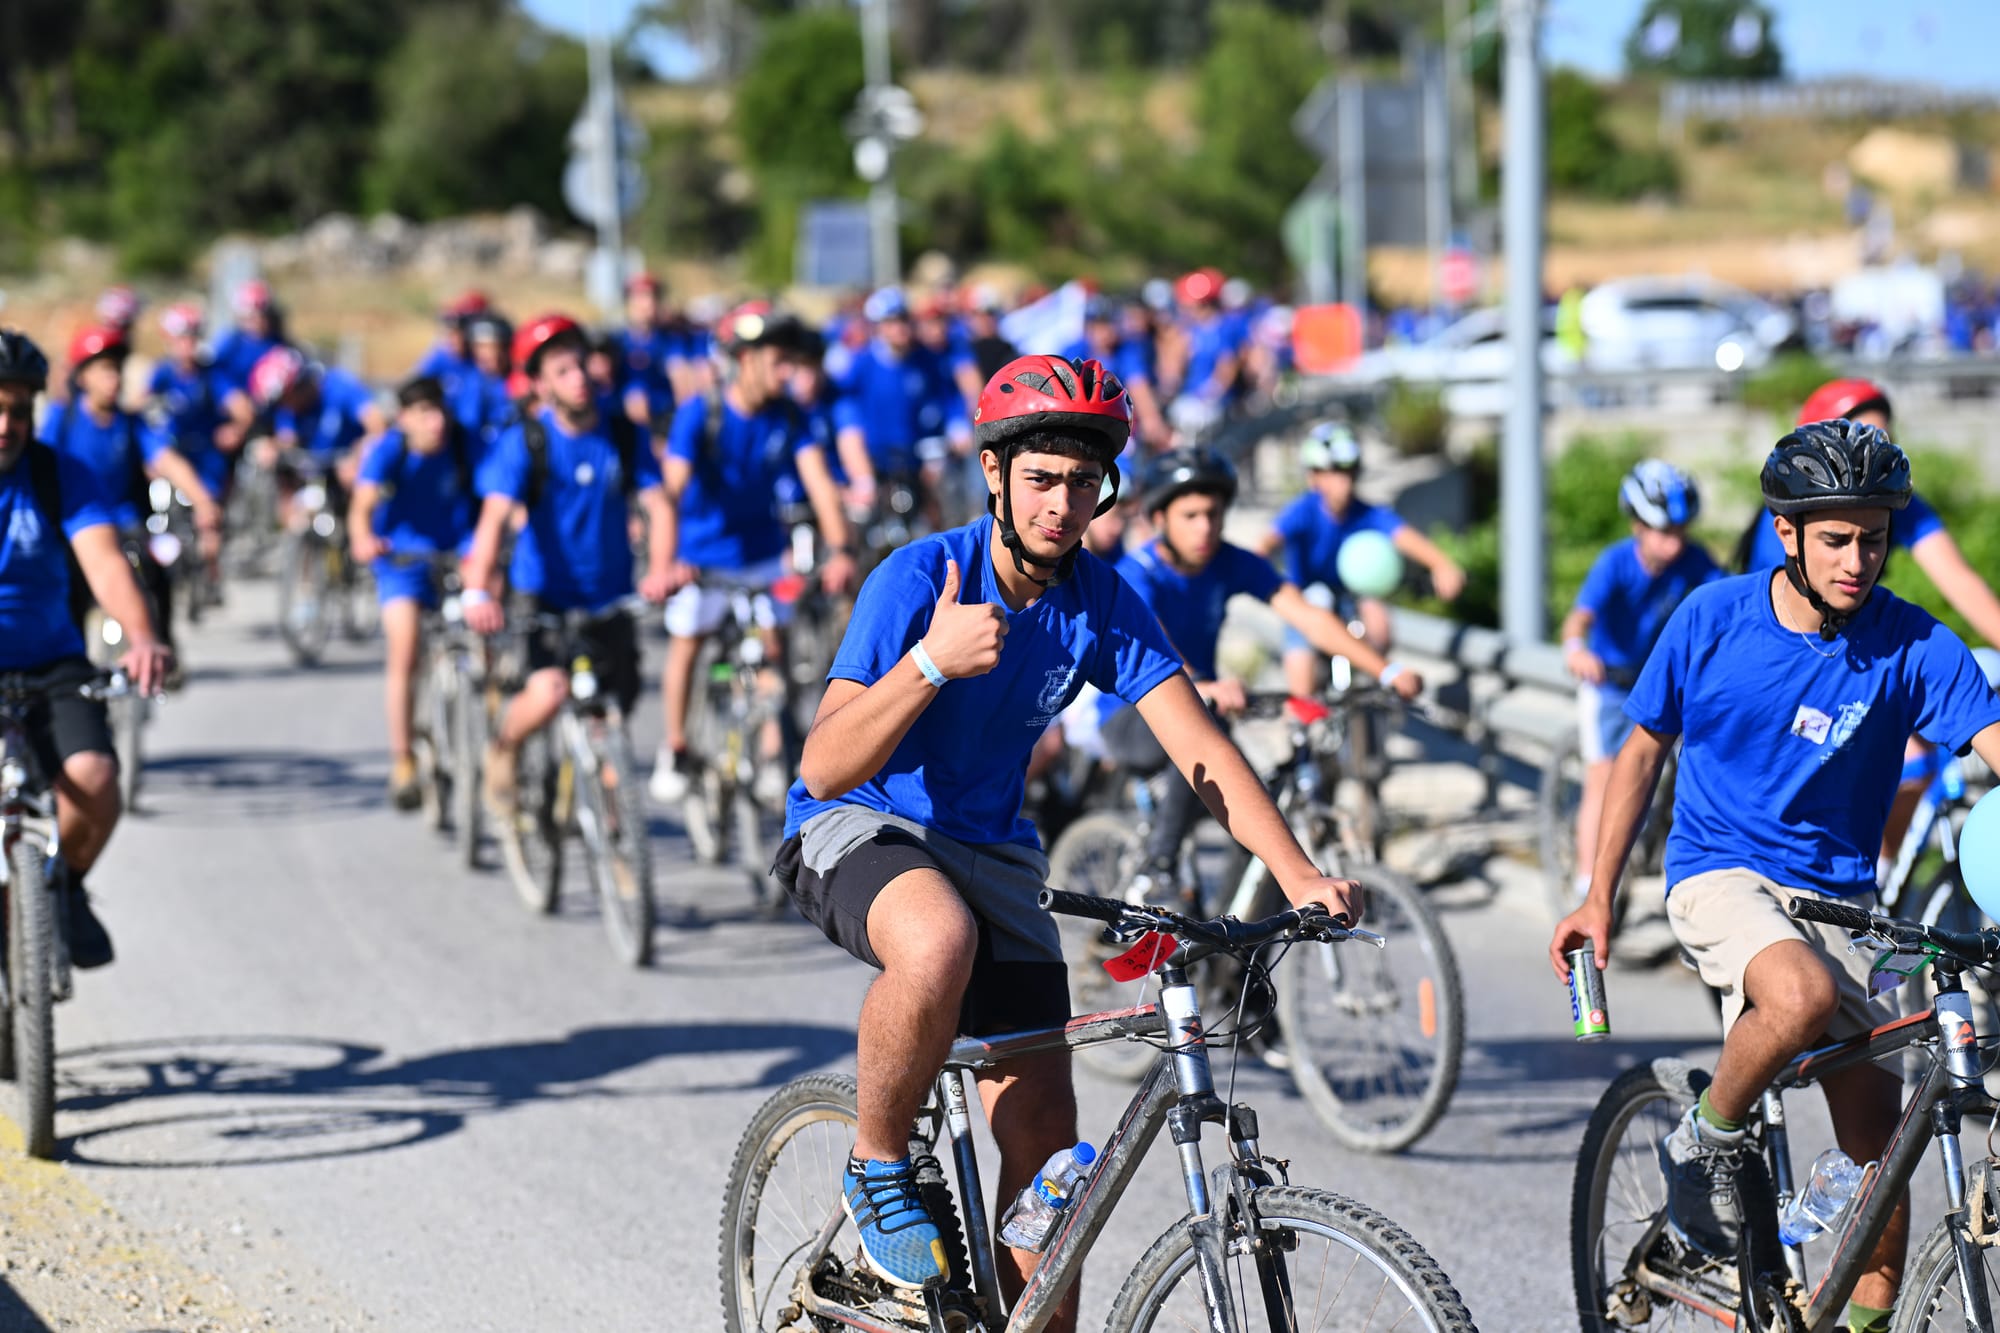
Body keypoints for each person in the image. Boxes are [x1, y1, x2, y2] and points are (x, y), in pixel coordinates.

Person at [777, 354, 1365, 1325]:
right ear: (995, 472)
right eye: (1042, 478)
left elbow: (1199, 747)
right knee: (937, 940)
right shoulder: (920, 576)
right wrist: (930, 662)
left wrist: (1298, 871)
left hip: (993, 850)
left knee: (1049, 1140)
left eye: (1083, 482)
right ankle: (876, 1162)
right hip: (862, 822)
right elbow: (824, 764)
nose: (1061, 504)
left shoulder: (1098, 598)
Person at [1550, 422, 2000, 1333]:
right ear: (1787, 532)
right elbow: (1640, 755)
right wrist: (1599, 896)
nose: (1857, 560)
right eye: (1835, 538)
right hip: (1720, 871)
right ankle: (1703, 1139)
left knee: (1881, 1176)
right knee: (1797, 994)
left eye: (1873, 538)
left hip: (1842, 902)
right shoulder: (1711, 618)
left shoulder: (1913, 644)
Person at [1098, 446, 1422, 900]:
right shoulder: (1138, 573)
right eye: (1190, 516)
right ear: (1158, 519)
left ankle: (1230, 937)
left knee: (1262, 821)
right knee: (1201, 724)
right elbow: (1157, 644)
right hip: (1132, 717)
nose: (1205, 527)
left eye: (1213, 514)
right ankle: (1161, 864)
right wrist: (1202, 684)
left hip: (1207, 705)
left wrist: (1385, 669)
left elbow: (1307, 616)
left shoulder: (1230, 562)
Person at [1738, 378, 2000, 872]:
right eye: (1863, 436)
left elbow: (1959, 581)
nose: (1872, 454)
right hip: (1797, 663)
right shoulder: (1801, 518)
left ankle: (1879, 872)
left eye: (1884, 439)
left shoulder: (1894, 501)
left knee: (1916, 761)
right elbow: (1792, 630)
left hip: (1858, 644)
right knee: (1894, 755)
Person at [0, 329, 172, 968]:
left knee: (97, 782)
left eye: (19, 410)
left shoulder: (58, 474)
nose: (6, 425)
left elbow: (104, 565)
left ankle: (64, 889)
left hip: (50, 661)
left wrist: (142, 636)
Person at [644, 304, 860, 808]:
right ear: (745, 360)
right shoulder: (700, 413)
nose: (789, 373)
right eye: (778, 361)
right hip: (699, 556)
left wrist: (842, 549)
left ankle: (770, 754)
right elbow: (669, 494)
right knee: (688, 645)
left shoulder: (789, 415)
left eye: (792, 362)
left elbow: (821, 486)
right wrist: (665, 563)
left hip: (762, 552)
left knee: (773, 653)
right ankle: (675, 747)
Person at [459, 316, 675, 814]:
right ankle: (504, 748)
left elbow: (660, 507)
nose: (579, 377)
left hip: (610, 596)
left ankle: (617, 833)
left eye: (581, 364)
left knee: (614, 710)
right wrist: (478, 591)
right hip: (544, 595)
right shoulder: (526, 441)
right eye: (562, 371)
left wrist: (661, 569)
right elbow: (493, 521)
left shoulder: (621, 433)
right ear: (540, 385)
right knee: (549, 690)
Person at [1555, 460, 1721, 907]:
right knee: (1603, 778)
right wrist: (1576, 648)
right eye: (1664, 532)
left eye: (1681, 532)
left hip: (1662, 685)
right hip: (1609, 684)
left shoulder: (1695, 562)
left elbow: (1726, 606)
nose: (1674, 543)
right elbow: (1578, 619)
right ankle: (1587, 884)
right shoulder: (1615, 563)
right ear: (1637, 526)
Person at [44, 325, 223, 660]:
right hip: (75, 525)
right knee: (67, 592)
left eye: (117, 370)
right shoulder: (62, 419)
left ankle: (162, 647)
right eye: (104, 370)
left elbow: (167, 460)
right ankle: (74, 664)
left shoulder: (131, 423)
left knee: (156, 575)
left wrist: (202, 500)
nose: (113, 379)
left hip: (126, 522)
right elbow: (40, 464)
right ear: (83, 377)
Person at [1260, 420, 1466, 694]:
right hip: (1306, 600)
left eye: (1349, 471)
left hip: (1350, 596)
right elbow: (1268, 542)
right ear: (1314, 477)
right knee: (1301, 667)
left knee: (1378, 619)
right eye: (1333, 471)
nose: (1343, 481)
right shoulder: (1302, 511)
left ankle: (1370, 685)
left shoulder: (1366, 513)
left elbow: (1404, 536)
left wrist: (1442, 564)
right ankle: (1303, 711)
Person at [348, 377, 478, 809]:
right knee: (405, 650)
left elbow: (499, 497)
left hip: (458, 558)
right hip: (402, 563)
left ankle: (491, 738)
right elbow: (362, 506)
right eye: (423, 413)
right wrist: (363, 538)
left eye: (439, 411)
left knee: (489, 639)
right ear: (404, 418)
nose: (435, 422)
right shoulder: (390, 450)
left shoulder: (464, 444)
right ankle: (403, 759)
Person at [831, 286, 971, 527]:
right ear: (878, 327)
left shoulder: (926, 360)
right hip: (875, 459)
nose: (900, 328)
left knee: (937, 512)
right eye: (891, 322)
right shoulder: (861, 365)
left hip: (916, 456)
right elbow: (844, 407)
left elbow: (948, 398)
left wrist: (956, 425)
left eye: (903, 319)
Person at [613, 271, 690, 428]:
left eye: (653, 296)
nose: (649, 303)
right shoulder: (617, 342)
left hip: (664, 417)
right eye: (641, 296)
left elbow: (679, 372)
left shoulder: (670, 339)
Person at [210, 279, 285, 396]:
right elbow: (213, 371)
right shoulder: (230, 343)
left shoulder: (278, 344)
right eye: (252, 316)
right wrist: (229, 393)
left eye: (262, 315)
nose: (258, 321)